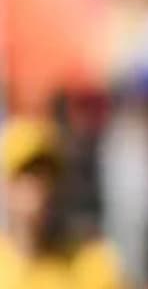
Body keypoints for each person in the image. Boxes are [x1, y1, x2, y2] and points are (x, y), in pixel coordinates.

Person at [0, 117, 125, 289]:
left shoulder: (91, 264)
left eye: (49, 175)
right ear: (7, 185)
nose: (41, 188)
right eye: (29, 174)